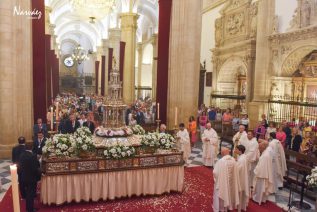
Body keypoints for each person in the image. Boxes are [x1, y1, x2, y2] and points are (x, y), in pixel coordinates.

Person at [253, 140, 274, 205]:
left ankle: (258, 199)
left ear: (263, 147)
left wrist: (256, 171)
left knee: (260, 188)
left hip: (262, 175)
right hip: (265, 173)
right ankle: (262, 199)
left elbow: (261, 166)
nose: (260, 149)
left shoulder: (265, 155)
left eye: (260, 147)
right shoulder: (267, 152)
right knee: (262, 188)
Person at [236, 145, 249, 211]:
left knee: (239, 192)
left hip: (240, 178)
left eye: (237, 149)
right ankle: (241, 205)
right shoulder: (244, 157)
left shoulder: (241, 159)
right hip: (244, 176)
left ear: (240, 151)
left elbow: (237, 169)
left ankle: (239, 206)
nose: (235, 150)